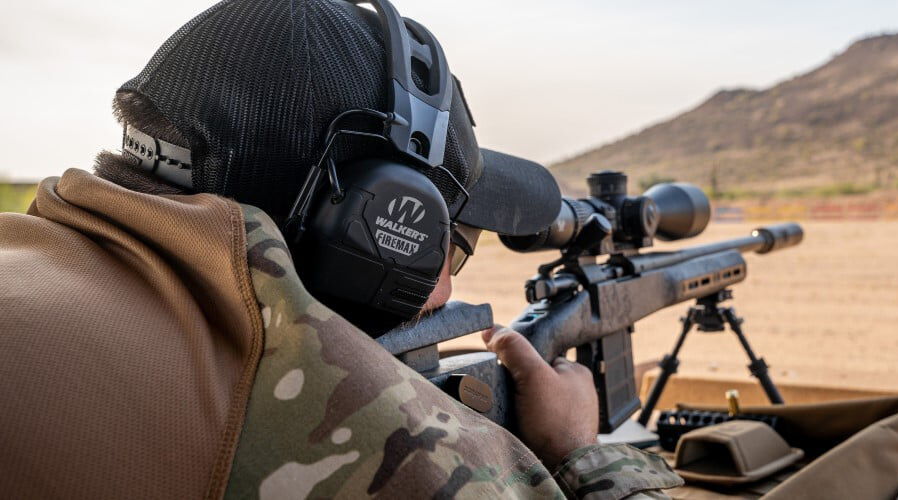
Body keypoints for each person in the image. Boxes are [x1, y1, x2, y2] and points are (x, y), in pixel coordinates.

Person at [0, 0, 681, 498]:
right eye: (451, 239)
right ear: (371, 228)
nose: (443, 287)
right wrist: (580, 455)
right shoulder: (398, 444)